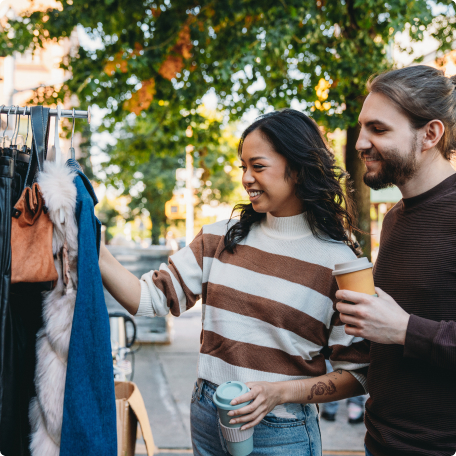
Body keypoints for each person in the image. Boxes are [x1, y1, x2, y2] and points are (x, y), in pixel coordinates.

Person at [100, 109, 370, 455]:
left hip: (281, 430)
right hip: (209, 414)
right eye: (243, 167)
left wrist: (279, 393)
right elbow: (147, 299)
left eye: (257, 166)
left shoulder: (341, 262)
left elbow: (358, 374)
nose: (246, 178)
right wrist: (98, 253)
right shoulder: (217, 238)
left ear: (299, 170)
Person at [335, 66, 456, 456]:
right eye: (361, 128)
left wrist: (405, 329)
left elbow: (401, 328)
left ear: (431, 134)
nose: (360, 143)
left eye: (378, 129)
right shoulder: (394, 219)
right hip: (380, 442)